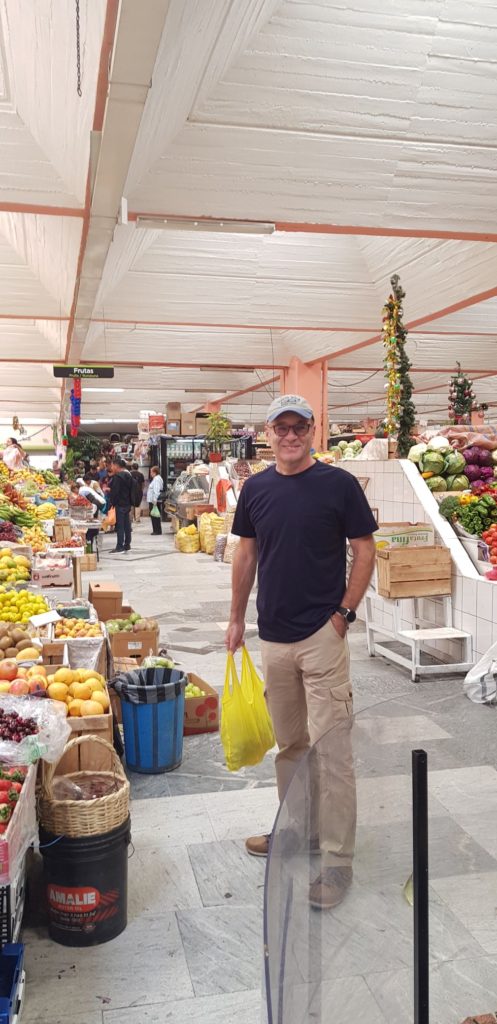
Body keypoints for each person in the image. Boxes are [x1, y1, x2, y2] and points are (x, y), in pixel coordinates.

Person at [225, 394, 377, 910]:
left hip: (321, 635)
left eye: (299, 427)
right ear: (267, 432)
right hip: (273, 636)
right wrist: (236, 616)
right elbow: (246, 553)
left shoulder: (338, 485)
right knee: (290, 744)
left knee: (332, 750)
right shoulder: (257, 488)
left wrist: (345, 614)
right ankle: (297, 832)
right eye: (280, 427)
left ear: (313, 431)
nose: (290, 435)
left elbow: (365, 548)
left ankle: (337, 862)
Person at [108, 458, 133, 553]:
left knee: (120, 526)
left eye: (112, 465)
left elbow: (115, 492)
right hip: (127, 504)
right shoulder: (128, 475)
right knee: (127, 525)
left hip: (120, 504)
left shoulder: (117, 477)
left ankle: (119, 546)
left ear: (116, 465)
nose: (112, 467)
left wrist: (112, 503)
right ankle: (127, 544)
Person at [147, 466, 163, 535]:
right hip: (154, 500)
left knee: (154, 515)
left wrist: (154, 500)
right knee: (155, 515)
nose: (150, 473)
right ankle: (157, 530)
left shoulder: (156, 479)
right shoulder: (157, 478)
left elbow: (156, 490)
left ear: (154, 472)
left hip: (154, 501)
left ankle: (156, 530)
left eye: (151, 472)